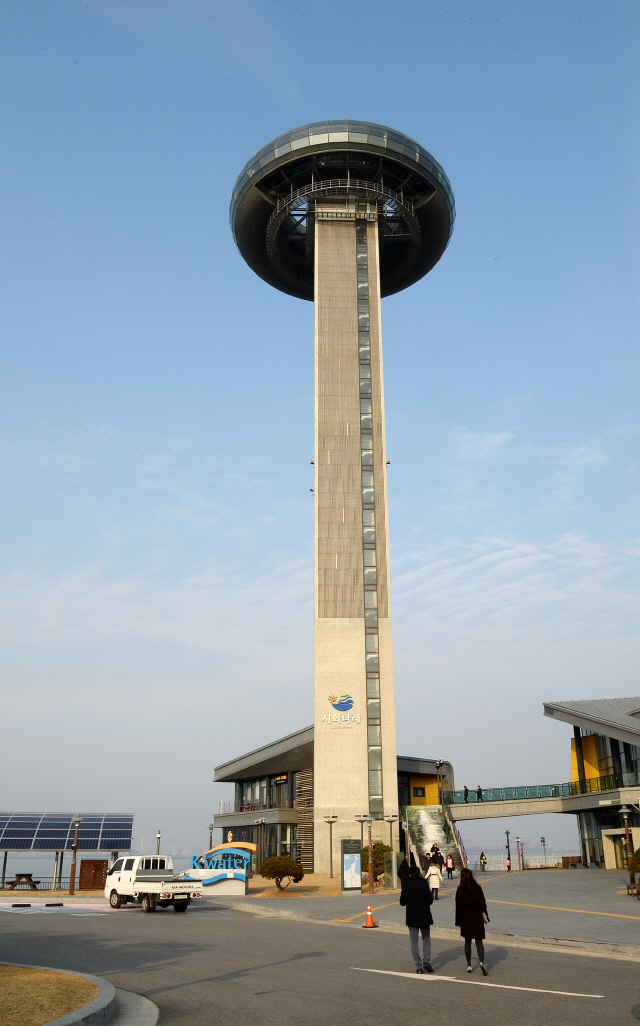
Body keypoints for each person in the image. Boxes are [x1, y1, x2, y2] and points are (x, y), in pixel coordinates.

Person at [399, 865, 434, 973]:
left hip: (412, 916)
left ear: (410, 874)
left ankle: (418, 966)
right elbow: (430, 901)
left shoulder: (406, 885)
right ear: (419, 873)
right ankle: (426, 961)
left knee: (413, 941)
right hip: (424, 915)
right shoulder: (424, 884)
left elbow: (402, 902)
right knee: (426, 938)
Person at [455, 867, 489, 975]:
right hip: (477, 916)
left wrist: (458, 922)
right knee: (479, 942)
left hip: (465, 917)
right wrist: (485, 917)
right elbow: (483, 904)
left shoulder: (460, 889)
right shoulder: (477, 888)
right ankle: (481, 962)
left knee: (467, 941)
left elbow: (458, 907)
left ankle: (469, 965)